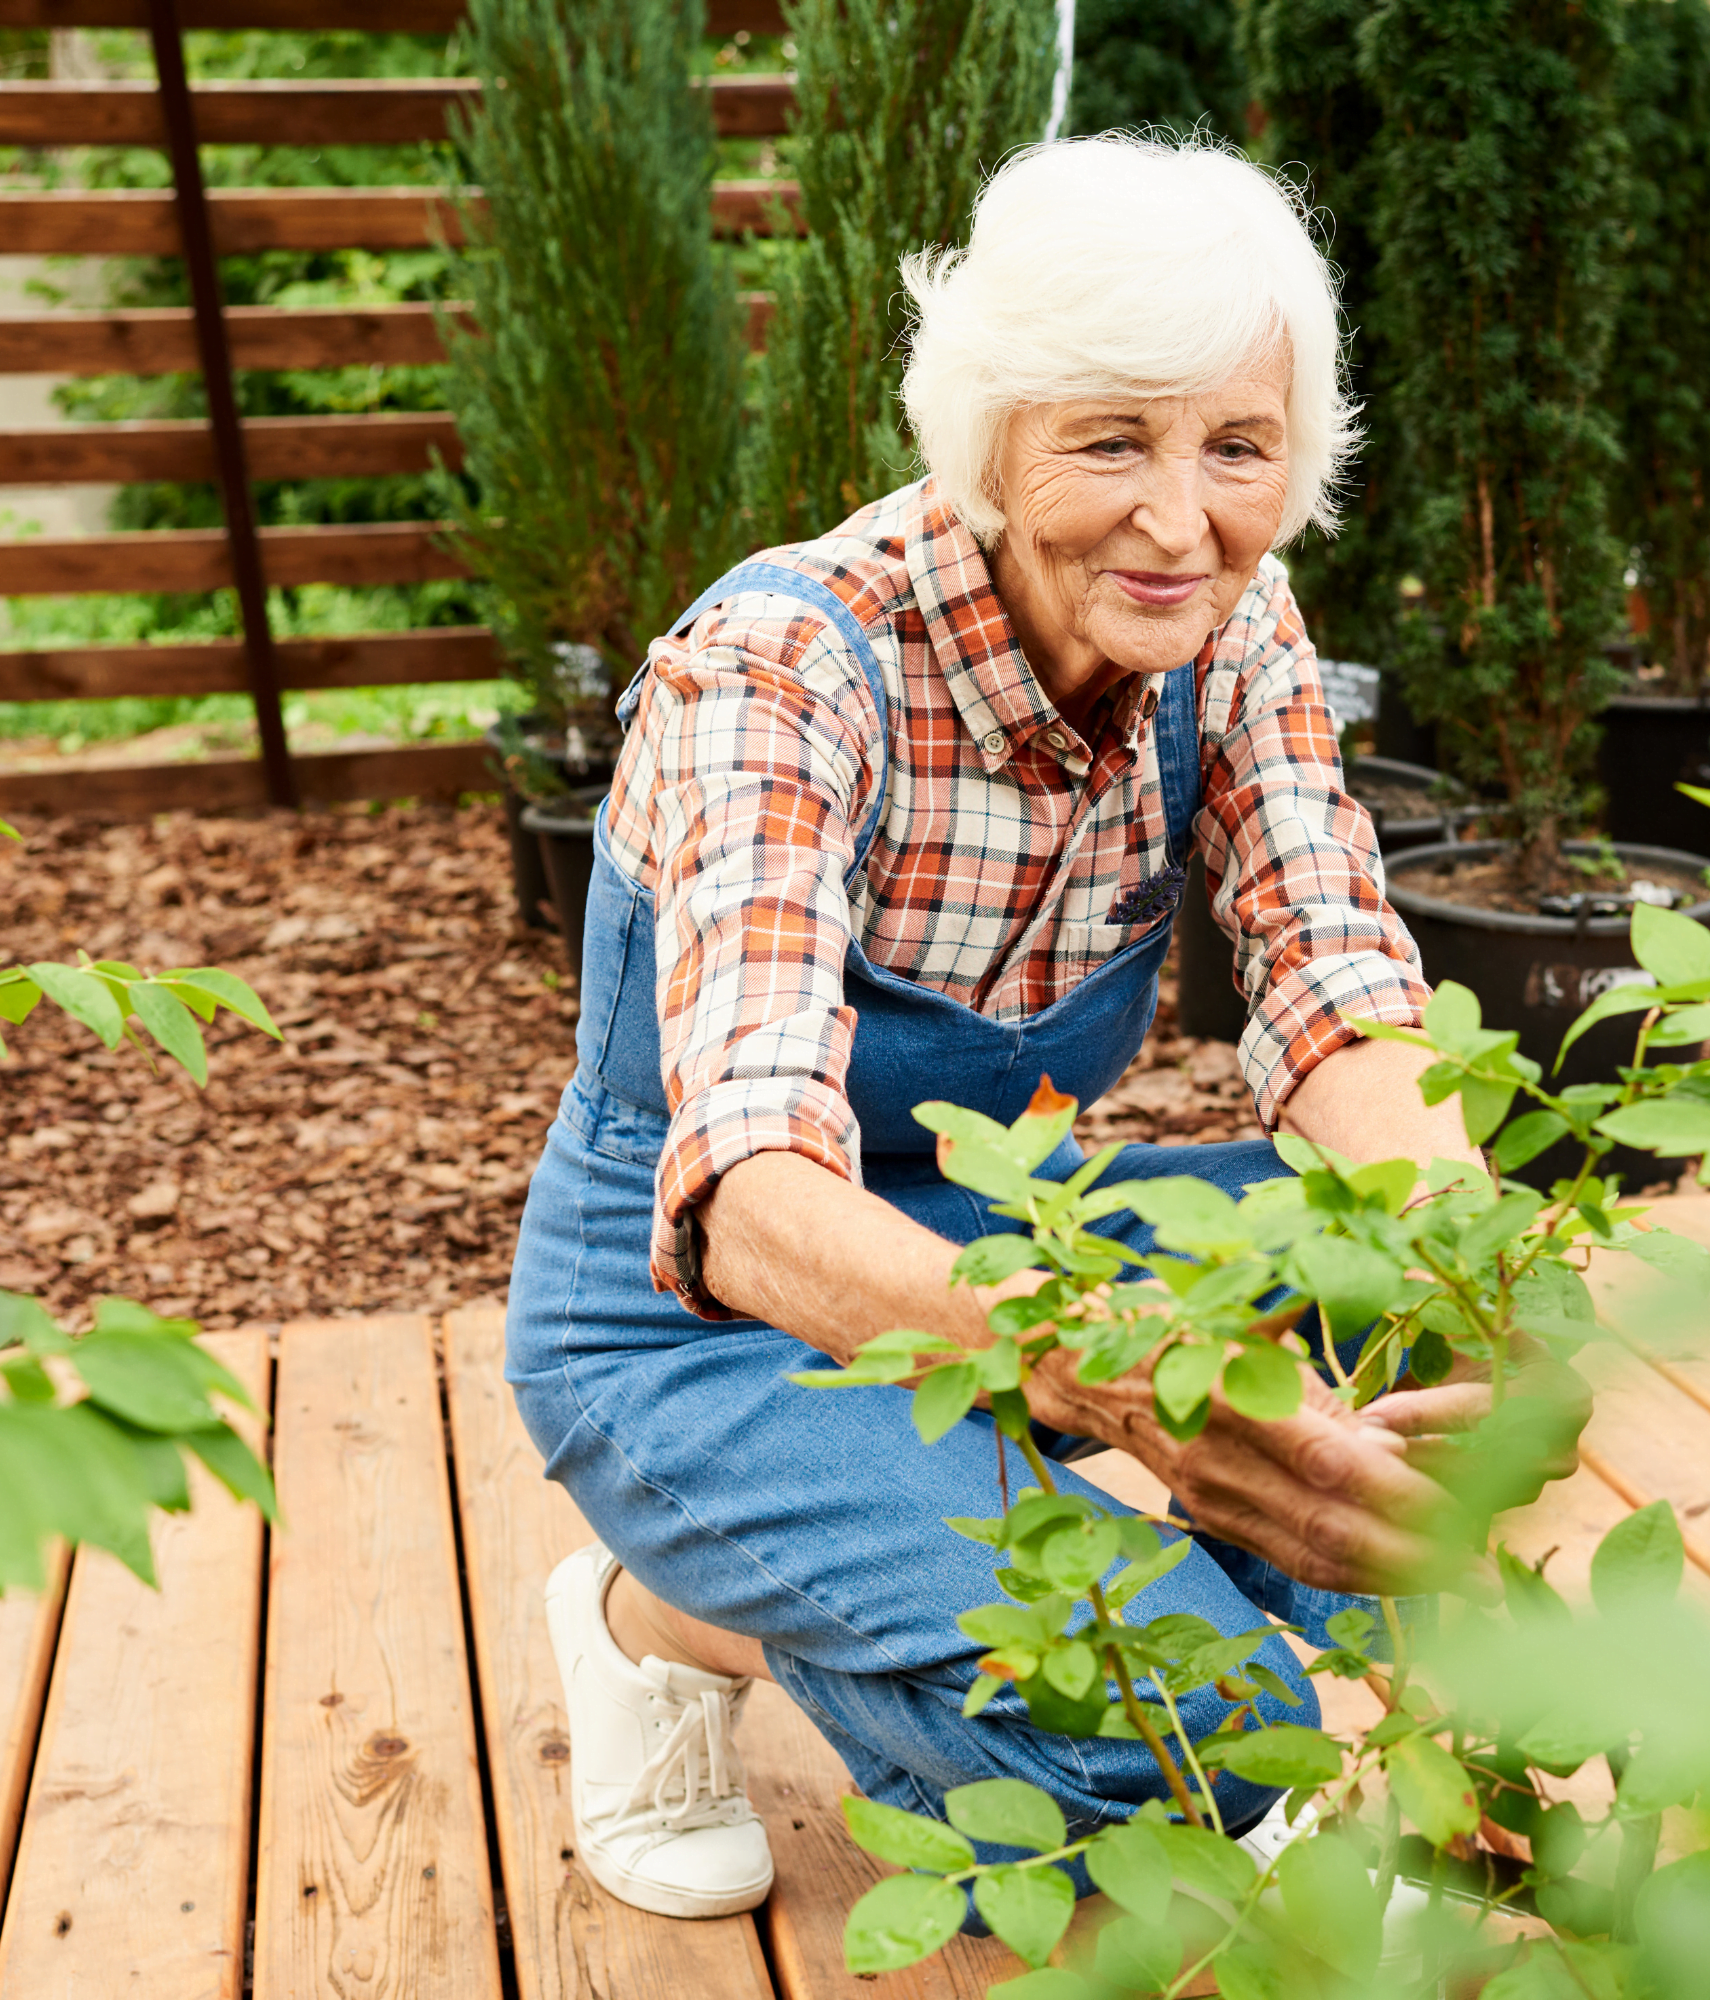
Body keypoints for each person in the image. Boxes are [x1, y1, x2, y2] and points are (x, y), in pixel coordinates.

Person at [505, 133, 1519, 1923]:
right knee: (1186, 1696)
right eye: (1112, 438)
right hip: (683, 1322)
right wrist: (1143, 1391)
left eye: (1237, 447)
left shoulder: (1235, 618)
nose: (1181, 519)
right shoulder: (781, 669)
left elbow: (1338, 979)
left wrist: (1477, 1272)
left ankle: (680, 1608)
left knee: (1382, 1263)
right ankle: (770, 1612)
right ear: (991, 434)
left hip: (994, 1243)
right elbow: (745, 1195)